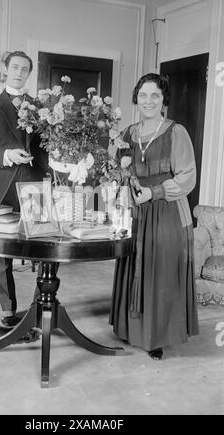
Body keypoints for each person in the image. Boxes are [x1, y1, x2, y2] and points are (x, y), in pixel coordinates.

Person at [109, 73, 199, 360]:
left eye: (155, 96)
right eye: (144, 95)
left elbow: (187, 177)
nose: (148, 101)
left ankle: (157, 337)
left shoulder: (176, 132)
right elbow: (117, 170)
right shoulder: (127, 134)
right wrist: (123, 178)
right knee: (132, 264)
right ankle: (130, 330)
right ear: (136, 98)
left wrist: (156, 192)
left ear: (163, 100)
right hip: (135, 212)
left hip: (166, 212)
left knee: (159, 271)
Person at [0, 51, 48, 330]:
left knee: (45, 246)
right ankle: (8, 309)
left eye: (24, 68)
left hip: (36, 183)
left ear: (29, 73)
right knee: (1, 252)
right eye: (14, 67)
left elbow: (48, 148)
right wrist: (7, 155)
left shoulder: (43, 109)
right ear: (5, 70)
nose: (19, 72)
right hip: (1, 186)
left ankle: (41, 304)